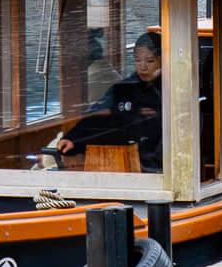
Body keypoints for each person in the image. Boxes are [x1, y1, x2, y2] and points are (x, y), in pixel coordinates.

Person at [56, 31, 164, 170]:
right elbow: (97, 116)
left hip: (160, 162)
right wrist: (73, 138)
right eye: (137, 60)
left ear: (162, 60)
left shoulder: (172, 89)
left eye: (150, 61)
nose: (143, 66)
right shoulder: (124, 88)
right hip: (125, 159)